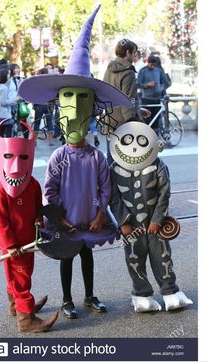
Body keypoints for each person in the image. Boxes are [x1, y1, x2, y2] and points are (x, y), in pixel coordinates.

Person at [18, 5, 131, 319]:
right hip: (67, 221)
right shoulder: (58, 157)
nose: (75, 106)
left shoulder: (96, 157)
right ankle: (67, 299)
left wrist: (98, 214)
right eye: (69, 98)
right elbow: (51, 192)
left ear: (92, 108)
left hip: (89, 219)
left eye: (83, 99)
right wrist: (60, 219)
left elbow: (105, 188)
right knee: (67, 258)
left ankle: (90, 296)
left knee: (86, 258)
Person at [109, 121, 193, 312]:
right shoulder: (114, 168)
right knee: (134, 259)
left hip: (156, 224)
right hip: (131, 226)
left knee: (162, 255)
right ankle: (141, 295)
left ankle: (170, 291)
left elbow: (164, 193)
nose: (134, 146)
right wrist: (123, 222)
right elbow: (113, 197)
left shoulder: (158, 165)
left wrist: (157, 220)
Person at [0, 120, 58, 333]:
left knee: (18, 276)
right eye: (10, 156)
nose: (16, 164)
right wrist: (10, 244)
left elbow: (38, 207)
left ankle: (16, 306)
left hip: (29, 240)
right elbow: (1, 222)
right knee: (21, 280)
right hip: (14, 245)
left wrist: (39, 218)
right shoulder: (0, 191)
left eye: (23, 157)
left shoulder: (33, 184)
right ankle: (26, 319)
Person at [103, 39, 150, 165]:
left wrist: (138, 110)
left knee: (112, 160)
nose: (135, 56)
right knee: (127, 165)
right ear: (128, 52)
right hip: (124, 126)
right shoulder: (128, 72)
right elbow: (127, 101)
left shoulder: (109, 70)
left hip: (110, 123)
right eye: (134, 52)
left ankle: (109, 185)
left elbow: (112, 96)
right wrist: (133, 126)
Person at [137, 54, 169, 132]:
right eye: (151, 65)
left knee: (156, 122)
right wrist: (147, 85)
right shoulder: (142, 71)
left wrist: (160, 88)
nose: (153, 66)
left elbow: (166, 83)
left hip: (157, 99)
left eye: (154, 65)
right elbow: (138, 85)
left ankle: (154, 138)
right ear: (147, 63)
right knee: (147, 121)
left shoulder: (159, 70)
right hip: (146, 99)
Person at [0, 68, 19, 136]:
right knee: (7, 134)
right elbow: (3, 102)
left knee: (1, 133)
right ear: (4, 76)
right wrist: (15, 101)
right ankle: (6, 146)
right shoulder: (3, 88)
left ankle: (0, 146)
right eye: (8, 74)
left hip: (1, 114)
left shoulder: (0, 86)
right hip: (4, 114)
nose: (9, 75)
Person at [32, 68, 55, 146]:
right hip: (49, 105)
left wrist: (34, 105)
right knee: (50, 123)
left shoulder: (36, 83)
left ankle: (34, 140)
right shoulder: (50, 83)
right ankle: (50, 141)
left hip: (39, 105)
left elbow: (34, 95)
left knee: (37, 123)